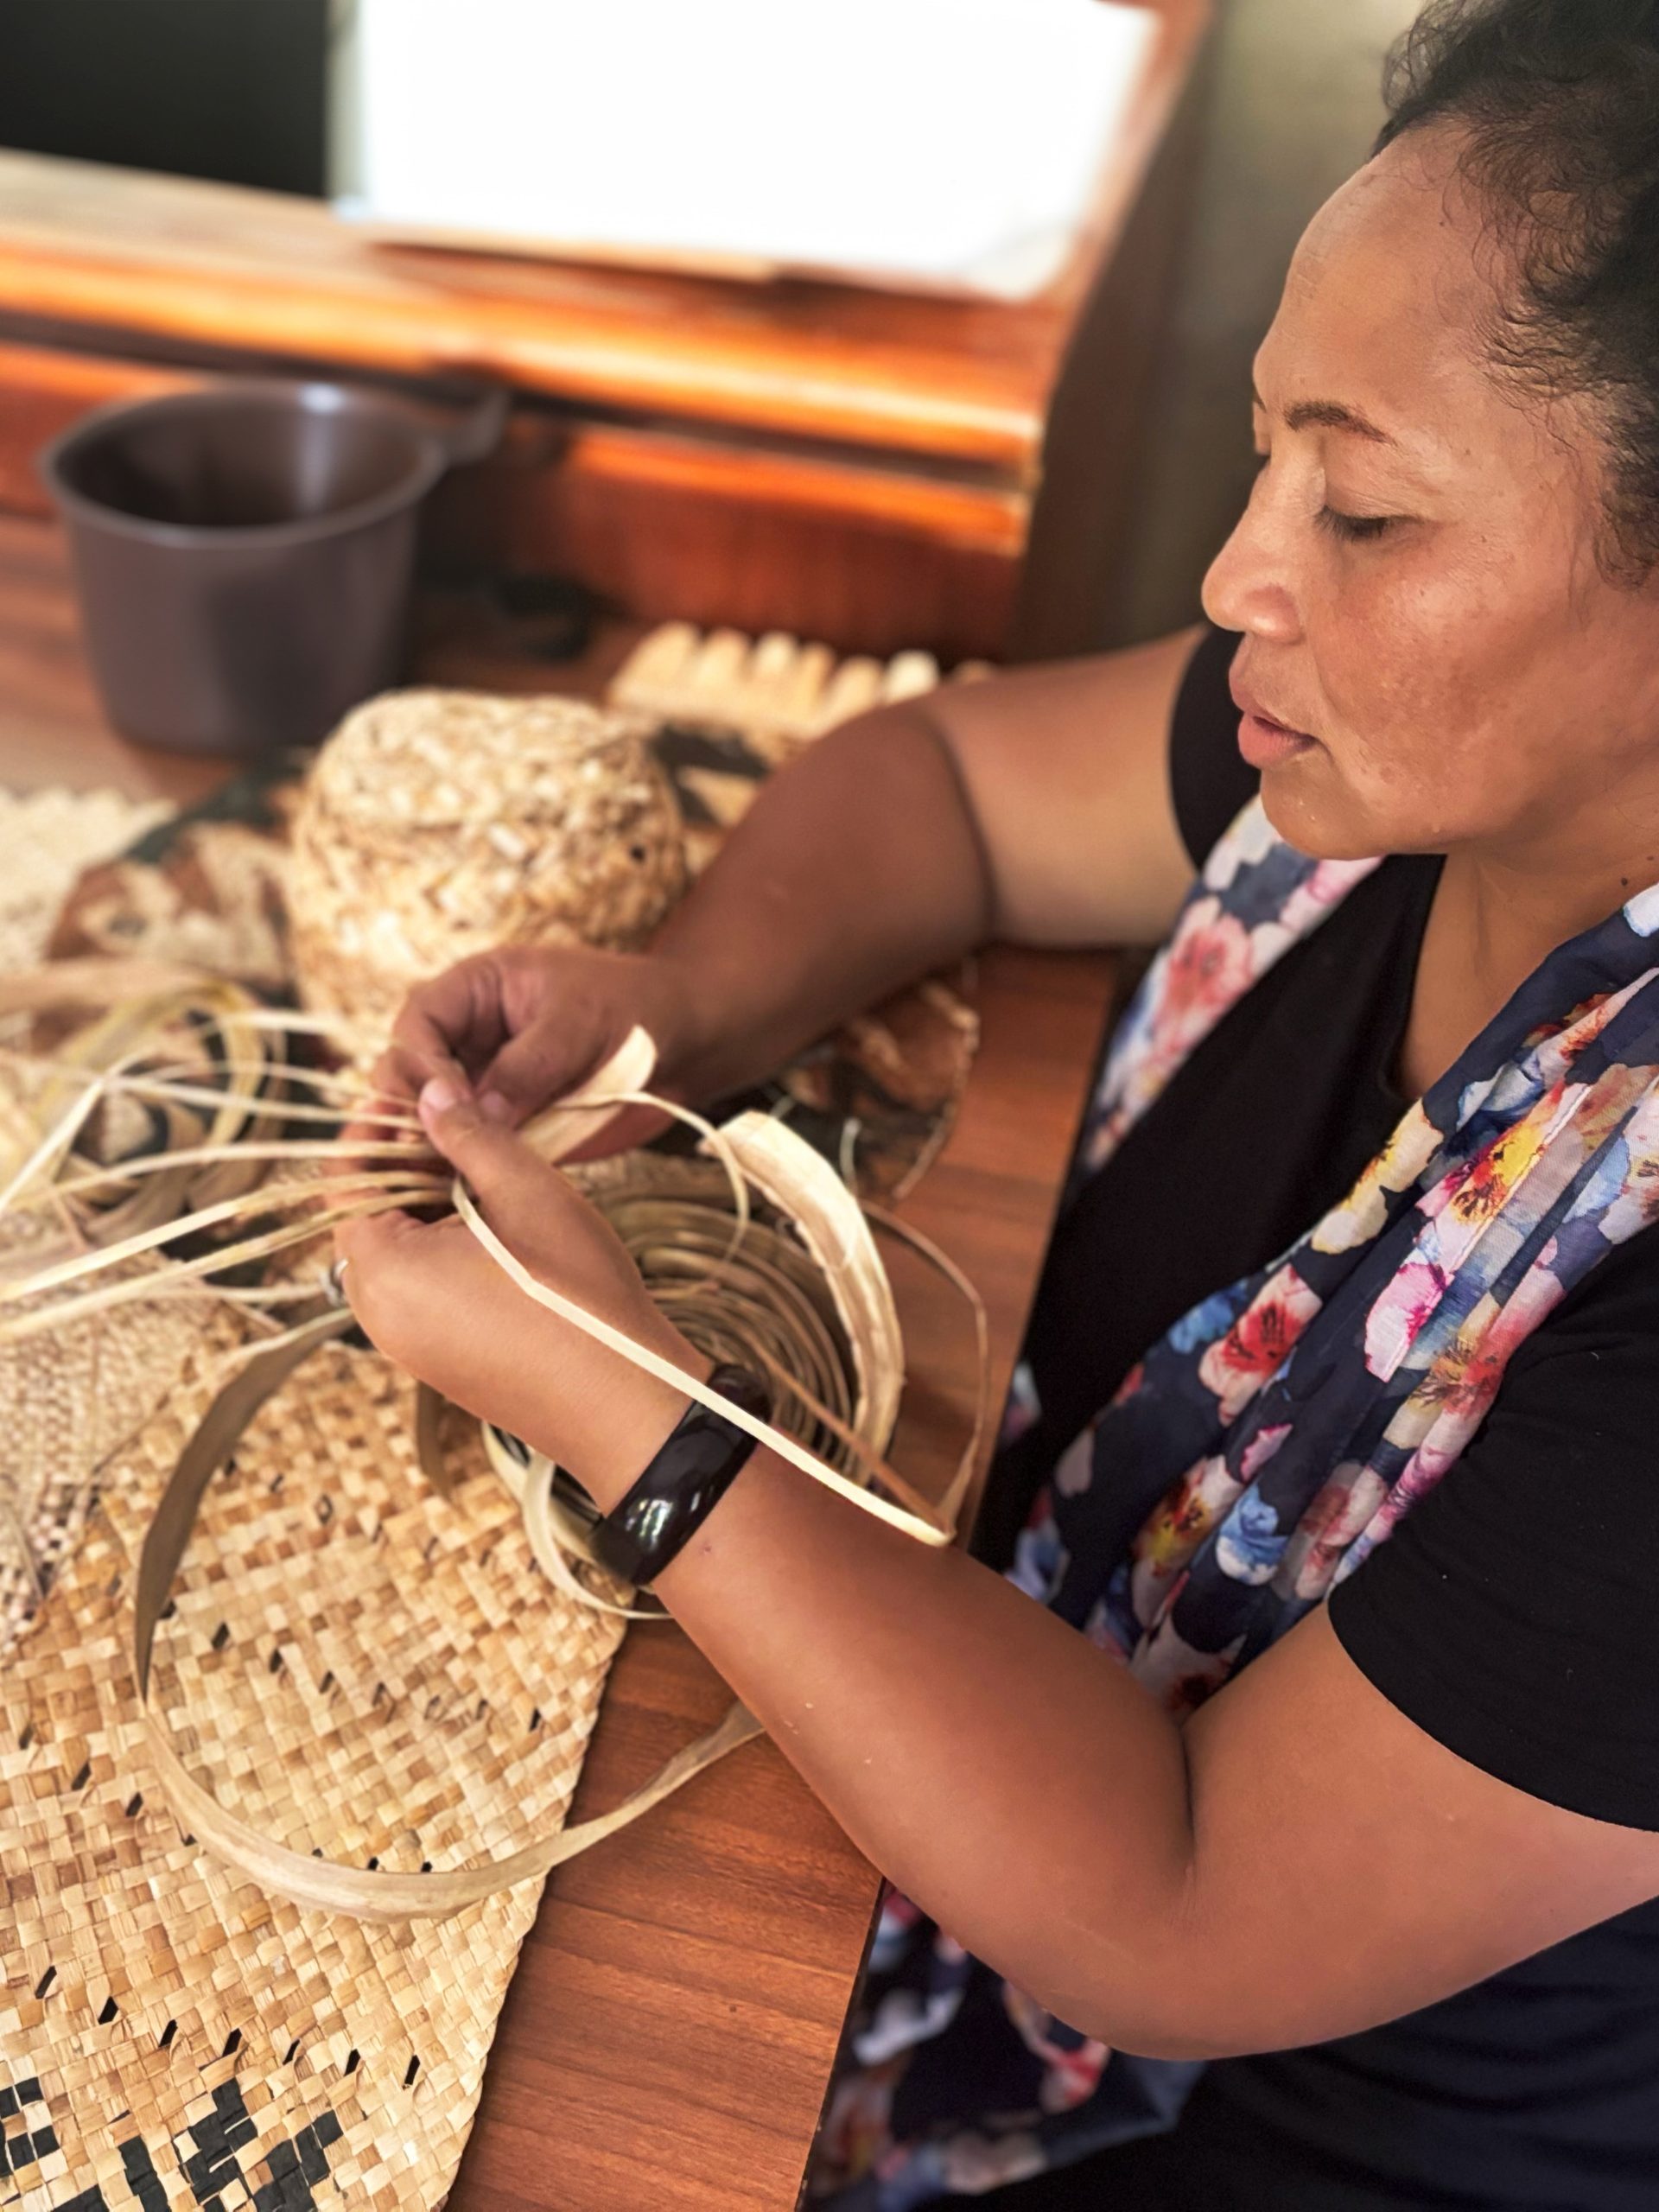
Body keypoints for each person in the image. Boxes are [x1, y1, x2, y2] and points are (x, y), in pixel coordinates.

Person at [334, 3, 1659, 2203]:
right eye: (1264, 458)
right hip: (977, 1702)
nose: (1244, 571)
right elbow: (950, 780)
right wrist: (683, 1001)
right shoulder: (1385, 776)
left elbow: (1183, 1887)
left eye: (1363, 505)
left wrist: (633, 1405)